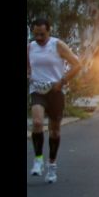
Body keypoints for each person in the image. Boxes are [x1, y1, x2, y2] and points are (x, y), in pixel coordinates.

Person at [27, 18, 82, 183]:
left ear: (49, 31)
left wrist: (62, 81)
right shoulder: (30, 47)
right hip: (37, 90)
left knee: (55, 131)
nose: (39, 38)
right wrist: (29, 75)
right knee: (37, 123)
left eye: (42, 35)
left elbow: (77, 64)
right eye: (36, 34)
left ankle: (52, 165)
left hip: (55, 91)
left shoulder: (57, 45)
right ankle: (38, 160)